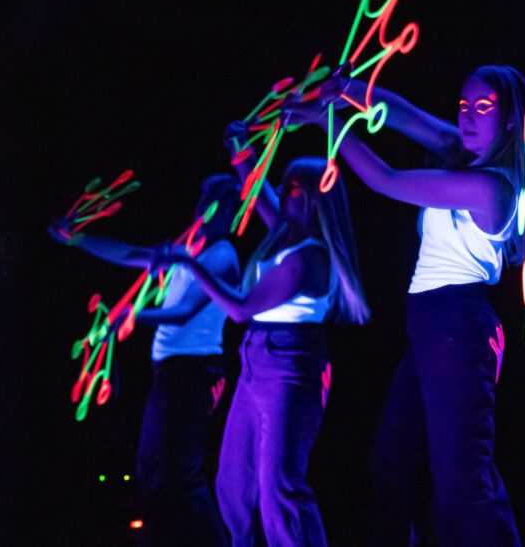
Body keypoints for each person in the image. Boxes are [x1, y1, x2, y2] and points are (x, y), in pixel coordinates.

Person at [292, 65, 525, 546]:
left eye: (483, 107)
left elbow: (385, 178)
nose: (468, 116)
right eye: (463, 105)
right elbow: (404, 116)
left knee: (462, 486)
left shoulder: (491, 186)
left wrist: (327, 121)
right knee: (393, 462)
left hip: (459, 327)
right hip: (433, 327)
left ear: (511, 119)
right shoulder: (465, 155)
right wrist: (347, 92)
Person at [153, 150, 369, 547]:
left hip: (290, 364)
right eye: (284, 185)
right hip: (257, 361)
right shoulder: (283, 235)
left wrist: (190, 263)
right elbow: (257, 190)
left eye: (292, 188)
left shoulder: (309, 258)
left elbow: (240, 309)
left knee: (280, 491)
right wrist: (242, 151)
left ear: (312, 199)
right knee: (232, 487)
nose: (281, 192)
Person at [50, 174, 242, 547]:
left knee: (176, 474)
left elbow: (184, 312)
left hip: (193, 372)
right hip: (172, 371)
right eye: (204, 203)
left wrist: (131, 316)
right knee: (156, 470)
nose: (206, 212)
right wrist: (77, 239)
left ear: (232, 214)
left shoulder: (221, 257)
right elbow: (129, 254)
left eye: (217, 206)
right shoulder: (189, 252)